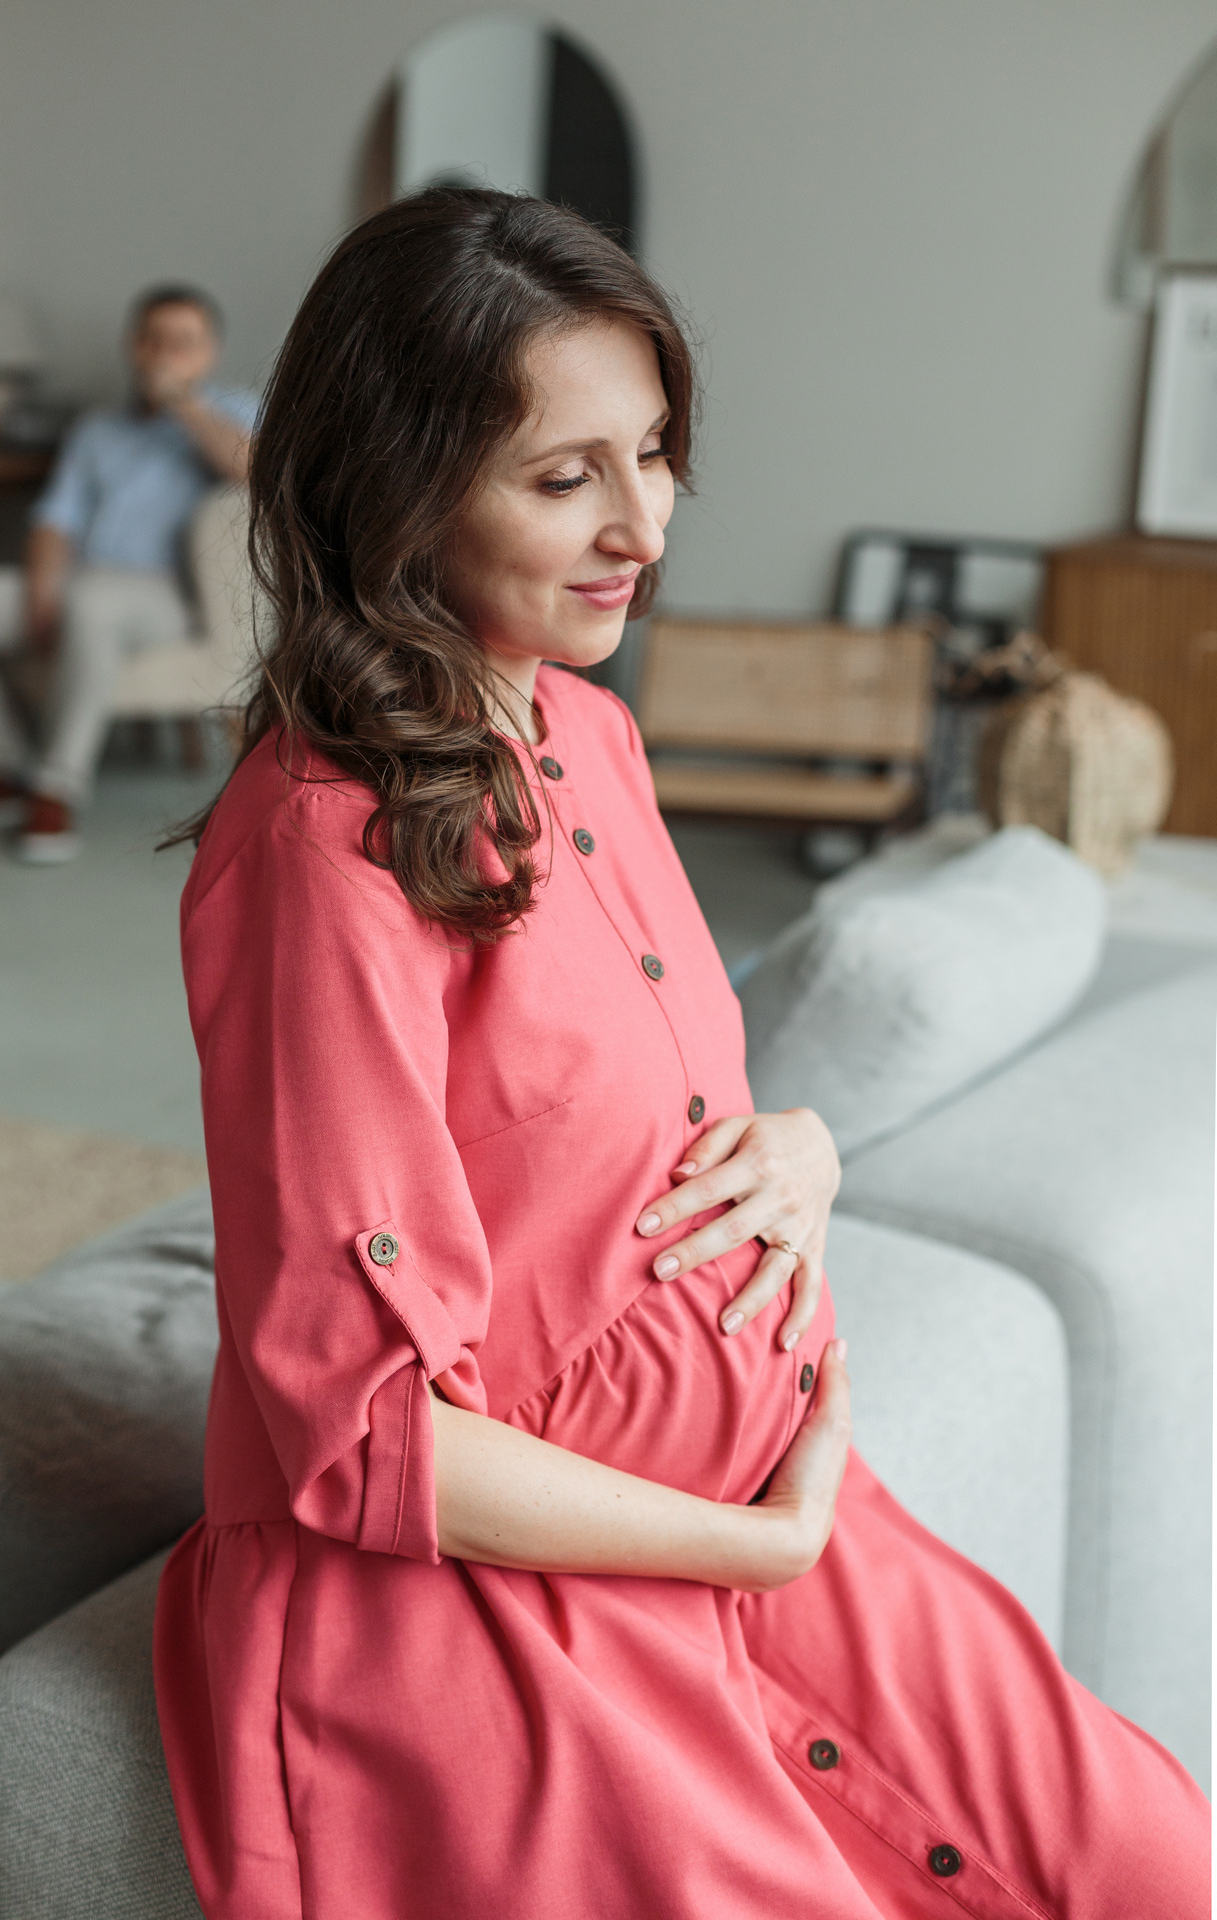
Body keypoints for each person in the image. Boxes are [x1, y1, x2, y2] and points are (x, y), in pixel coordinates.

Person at [153, 192, 1208, 1920]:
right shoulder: (315, 854)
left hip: (765, 1509)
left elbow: (632, 1104)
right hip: (498, 1589)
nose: (641, 522)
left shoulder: (591, 729)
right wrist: (755, 1547)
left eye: (651, 452)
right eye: (564, 477)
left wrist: (805, 1149)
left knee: (1153, 1864)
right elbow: (362, 1442)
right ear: (399, 488)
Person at [0, 285, 258, 862]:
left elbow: (253, 473)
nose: (164, 353)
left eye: (182, 343)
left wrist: (184, 403)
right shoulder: (97, 430)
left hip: (168, 597)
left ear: (208, 353)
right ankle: (5, 765)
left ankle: (55, 788)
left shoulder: (235, 411)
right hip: (79, 578)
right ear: (133, 346)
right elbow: (54, 521)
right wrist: (40, 589)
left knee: (92, 602)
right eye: (153, 339)